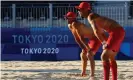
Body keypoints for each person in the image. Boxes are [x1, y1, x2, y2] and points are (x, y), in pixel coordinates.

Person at [75, 2, 125, 80]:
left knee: (104, 57)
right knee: (111, 57)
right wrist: (106, 42)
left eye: (79, 10)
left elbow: (96, 31)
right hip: (119, 31)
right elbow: (101, 32)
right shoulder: (94, 16)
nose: (78, 11)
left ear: (84, 10)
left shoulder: (90, 16)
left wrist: (104, 43)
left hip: (116, 32)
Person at [64, 12, 104, 80]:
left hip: (96, 38)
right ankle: (83, 73)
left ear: (72, 19)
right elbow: (77, 39)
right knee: (83, 54)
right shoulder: (70, 25)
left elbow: (81, 38)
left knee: (89, 54)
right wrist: (84, 48)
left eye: (67, 18)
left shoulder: (76, 24)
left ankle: (92, 75)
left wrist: (87, 48)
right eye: (66, 18)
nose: (66, 19)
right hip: (91, 38)